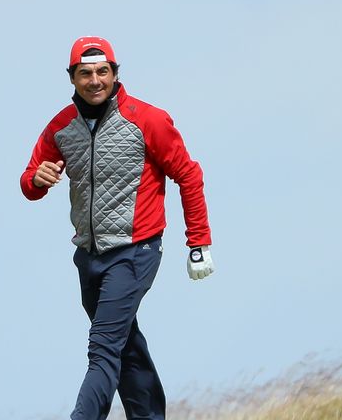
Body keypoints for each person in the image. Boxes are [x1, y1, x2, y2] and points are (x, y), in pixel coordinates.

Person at [20, 36, 215, 420]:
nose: (95, 80)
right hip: (88, 258)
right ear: (72, 77)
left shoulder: (148, 120)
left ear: (115, 73)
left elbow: (189, 176)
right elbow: (29, 182)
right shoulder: (60, 127)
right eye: (86, 73)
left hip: (135, 251)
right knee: (125, 345)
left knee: (103, 347)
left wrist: (199, 243)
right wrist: (37, 180)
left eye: (102, 72)